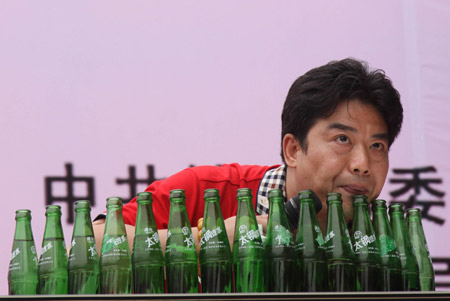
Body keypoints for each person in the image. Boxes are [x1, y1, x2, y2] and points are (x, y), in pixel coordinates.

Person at [92, 58, 403, 252]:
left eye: (377, 146)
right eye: (342, 139)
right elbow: (92, 241)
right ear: (293, 150)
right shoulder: (208, 191)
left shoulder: (388, 241)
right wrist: (204, 242)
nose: (363, 165)